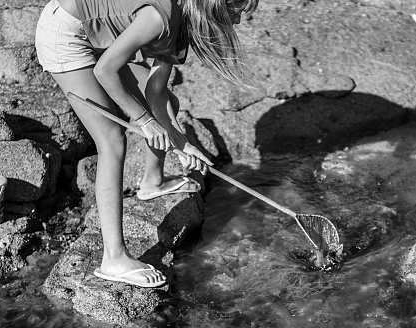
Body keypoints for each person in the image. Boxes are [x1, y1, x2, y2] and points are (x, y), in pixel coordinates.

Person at [35, 0, 258, 286]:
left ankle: (152, 182)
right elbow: (105, 71)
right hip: (65, 33)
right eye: (237, 11)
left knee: (169, 103)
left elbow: (156, 92)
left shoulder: (182, 18)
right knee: (112, 141)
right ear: (215, 5)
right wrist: (143, 121)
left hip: (92, 34)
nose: (237, 21)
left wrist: (181, 142)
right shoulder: (160, 16)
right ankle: (114, 259)